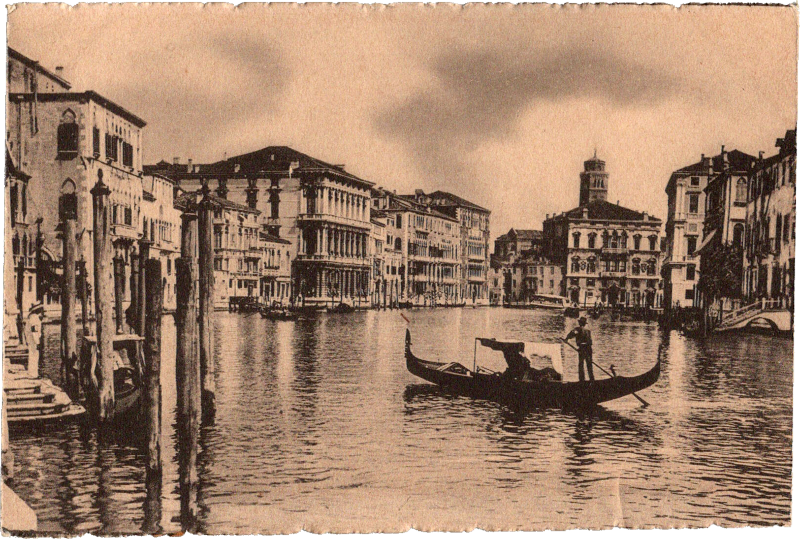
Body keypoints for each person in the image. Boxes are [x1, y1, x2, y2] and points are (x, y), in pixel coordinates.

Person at [564, 316, 594, 381]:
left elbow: (572, 334)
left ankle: (582, 380)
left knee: (581, 364)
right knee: (589, 364)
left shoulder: (578, 329)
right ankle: (592, 380)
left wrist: (566, 339)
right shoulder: (588, 331)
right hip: (589, 348)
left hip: (582, 348)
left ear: (580, 323)